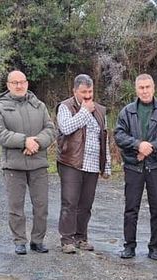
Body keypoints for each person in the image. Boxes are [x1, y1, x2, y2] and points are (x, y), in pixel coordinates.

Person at [0, 70, 57, 255]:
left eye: (22, 82)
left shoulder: (39, 106)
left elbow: (50, 129)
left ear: (27, 83)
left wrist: (36, 142)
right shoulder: (0, 108)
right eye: (15, 83)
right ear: (8, 85)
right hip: (13, 166)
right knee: (16, 207)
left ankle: (37, 241)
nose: (19, 86)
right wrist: (24, 141)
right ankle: (19, 241)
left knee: (42, 206)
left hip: (38, 164)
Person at [114, 74, 157, 260]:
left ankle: (154, 247)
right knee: (131, 208)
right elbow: (119, 135)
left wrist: (151, 147)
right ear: (136, 89)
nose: (144, 91)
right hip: (133, 167)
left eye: (147, 87)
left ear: (153, 87)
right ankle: (129, 246)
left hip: (156, 166)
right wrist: (137, 145)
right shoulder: (127, 111)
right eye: (141, 87)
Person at [56, 75, 110, 254]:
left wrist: (106, 165)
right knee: (69, 202)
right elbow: (66, 128)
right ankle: (67, 240)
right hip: (71, 162)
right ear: (74, 91)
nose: (87, 96)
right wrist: (85, 111)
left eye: (90, 91)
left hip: (93, 165)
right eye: (83, 92)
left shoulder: (101, 110)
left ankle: (81, 237)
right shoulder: (65, 107)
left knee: (86, 204)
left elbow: (104, 138)